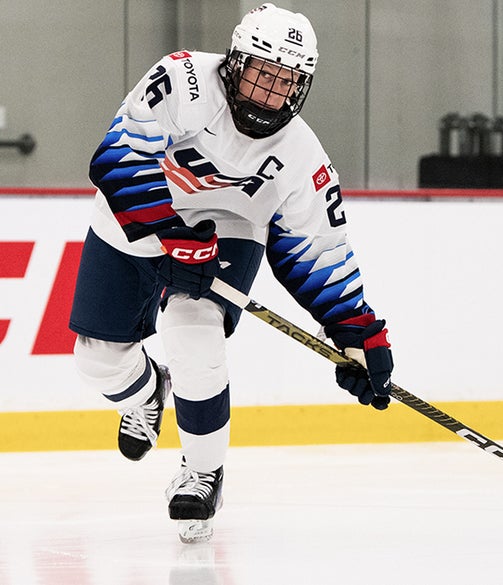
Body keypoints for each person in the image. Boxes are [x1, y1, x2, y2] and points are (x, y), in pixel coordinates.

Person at [68, 3, 394, 543]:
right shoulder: (183, 79)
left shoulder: (302, 158)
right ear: (236, 60)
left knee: (193, 331)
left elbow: (322, 249)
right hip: (139, 215)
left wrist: (360, 332)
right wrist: (173, 235)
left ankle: (202, 471)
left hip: (229, 228)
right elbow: (118, 157)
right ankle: (148, 394)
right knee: (97, 361)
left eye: (286, 82)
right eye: (262, 73)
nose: (270, 93)